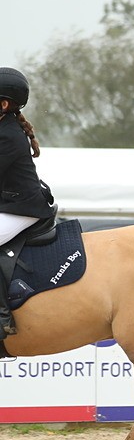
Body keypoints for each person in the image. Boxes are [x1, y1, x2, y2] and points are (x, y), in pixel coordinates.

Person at [0, 68, 55, 336]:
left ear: (3, 104)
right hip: (9, 204)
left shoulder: (8, 135)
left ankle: (2, 316)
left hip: (22, 209)